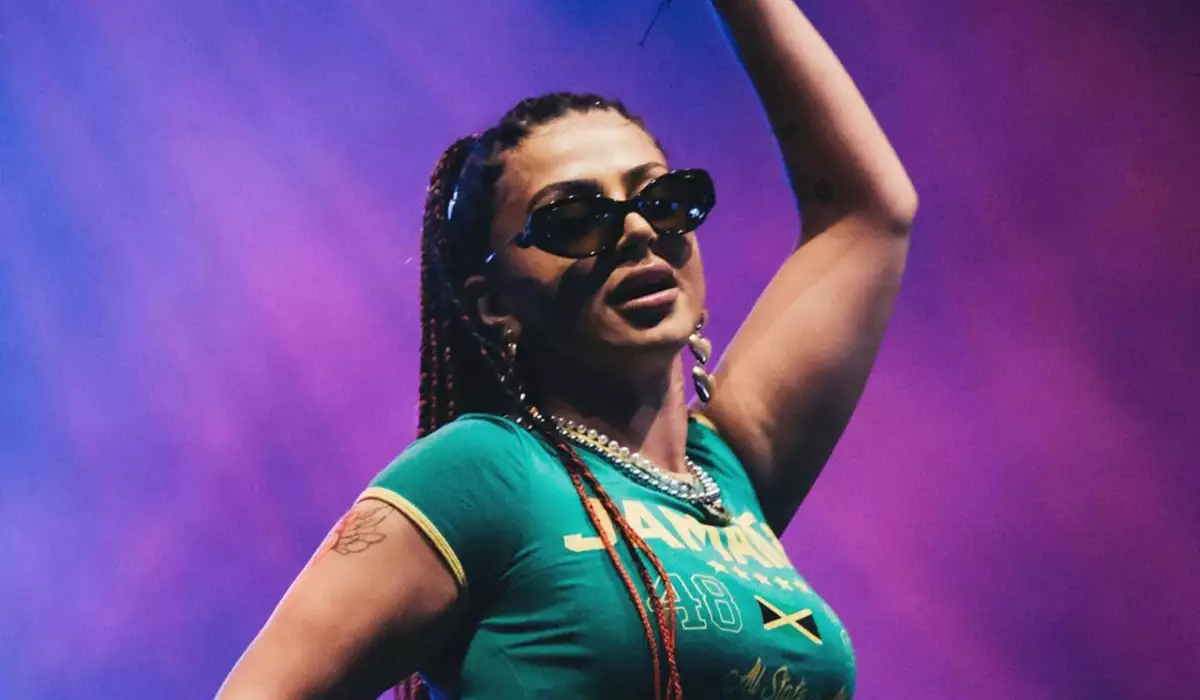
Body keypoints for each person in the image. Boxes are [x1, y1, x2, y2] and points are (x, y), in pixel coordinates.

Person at [218, 1, 916, 698]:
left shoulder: (727, 469)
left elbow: (869, 215)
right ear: (493, 304)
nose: (639, 231)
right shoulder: (483, 473)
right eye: (576, 219)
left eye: (663, 199)